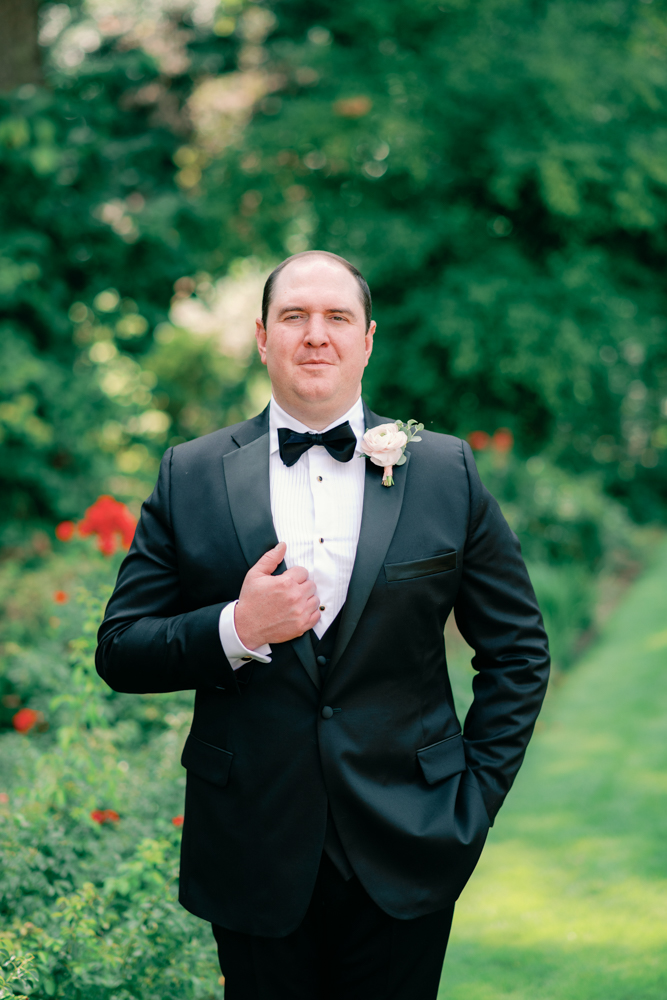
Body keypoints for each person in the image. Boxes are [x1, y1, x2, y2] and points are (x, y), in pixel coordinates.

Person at [96, 250, 550, 1000]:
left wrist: (473, 796)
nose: (315, 335)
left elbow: (518, 651)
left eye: (336, 317)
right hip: (251, 843)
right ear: (261, 336)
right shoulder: (190, 473)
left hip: (412, 834)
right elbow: (120, 649)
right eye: (294, 317)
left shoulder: (444, 471)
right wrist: (236, 628)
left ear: (366, 339)